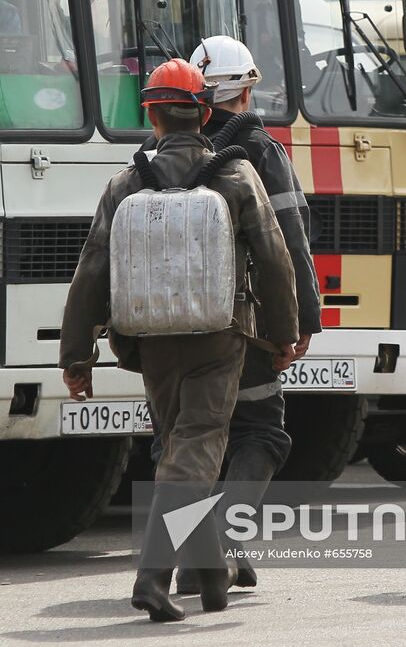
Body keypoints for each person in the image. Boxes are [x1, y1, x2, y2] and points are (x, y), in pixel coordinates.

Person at [59, 59, 299, 623]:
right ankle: (152, 575)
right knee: (194, 451)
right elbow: (274, 259)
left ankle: (211, 573)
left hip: (150, 344)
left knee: (177, 445)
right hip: (219, 338)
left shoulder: (126, 183)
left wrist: (77, 356)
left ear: (151, 114)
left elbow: (92, 270)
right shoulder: (236, 176)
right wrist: (284, 334)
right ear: (205, 111)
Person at [166, 34, 321, 592]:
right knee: (261, 433)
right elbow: (291, 241)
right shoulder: (257, 150)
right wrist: (303, 319)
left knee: (194, 438)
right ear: (247, 88)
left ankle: (198, 556)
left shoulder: (169, 152)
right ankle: (223, 548)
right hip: (246, 321)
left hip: (173, 320)